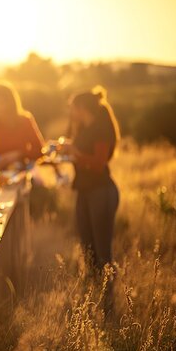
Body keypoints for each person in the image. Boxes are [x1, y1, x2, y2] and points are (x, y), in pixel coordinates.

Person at [62, 86, 120, 270]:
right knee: (87, 248)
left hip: (101, 192)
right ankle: (94, 290)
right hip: (84, 191)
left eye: (72, 108)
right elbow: (77, 152)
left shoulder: (101, 129)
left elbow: (98, 164)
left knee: (103, 251)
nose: (70, 112)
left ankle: (108, 294)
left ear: (82, 108)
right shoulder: (83, 129)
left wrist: (74, 153)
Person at [0, 81, 44, 172]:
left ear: (11, 103)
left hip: (25, 169)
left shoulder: (25, 120)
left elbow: (40, 151)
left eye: (3, 102)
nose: (0, 107)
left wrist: (18, 154)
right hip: (0, 172)